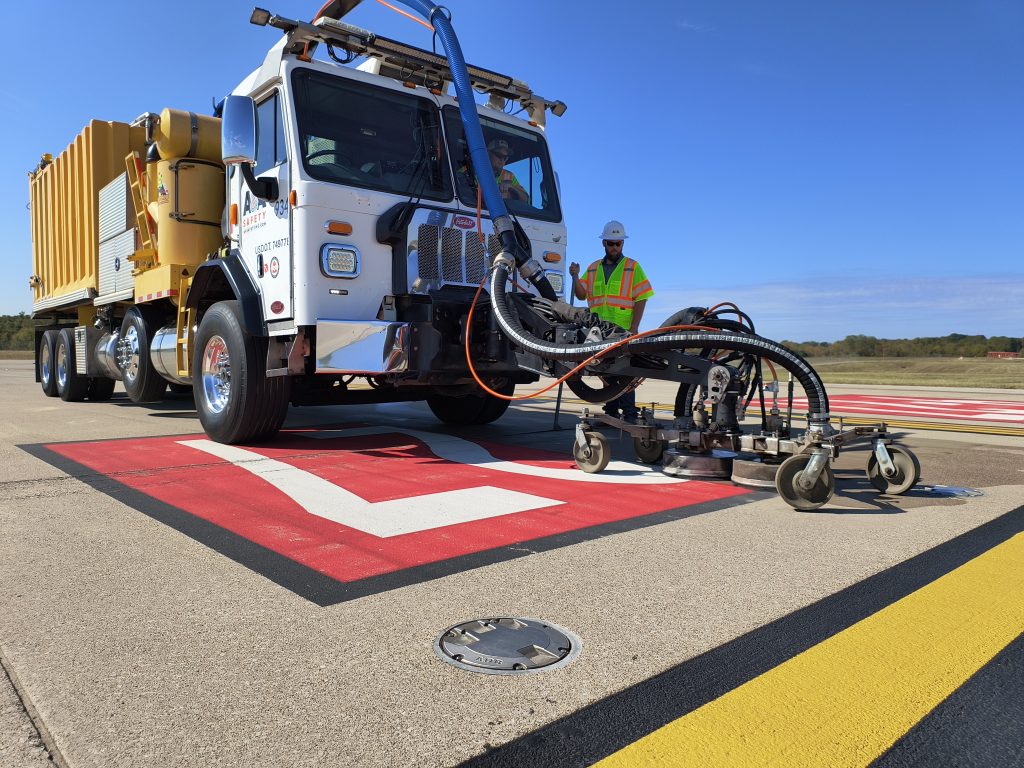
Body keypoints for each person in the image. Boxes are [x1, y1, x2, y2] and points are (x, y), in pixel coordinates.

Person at [569, 220, 654, 423]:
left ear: (622, 244)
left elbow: (642, 296)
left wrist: (634, 327)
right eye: (610, 243)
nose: (614, 247)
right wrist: (573, 277)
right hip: (598, 330)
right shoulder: (592, 269)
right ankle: (612, 411)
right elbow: (581, 295)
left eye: (618, 243)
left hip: (622, 330)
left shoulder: (632, 267)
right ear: (603, 243)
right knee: (604, 371)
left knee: (623, 373)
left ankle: (630, 415)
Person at [457, 139, 529, 203]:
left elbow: (526, 199)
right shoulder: (468, 170)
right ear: (487, 154)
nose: (502, 160)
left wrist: (512, 188)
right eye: (499, 155)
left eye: (505, 158)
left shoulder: (509, 175)